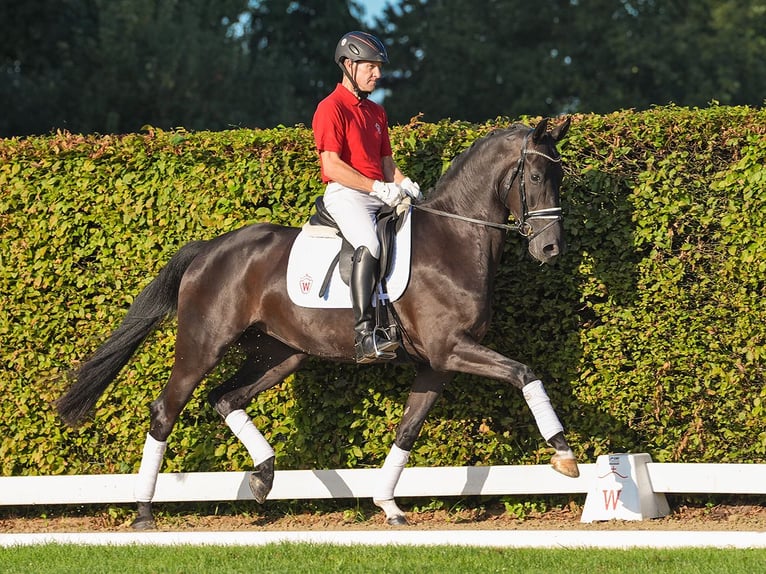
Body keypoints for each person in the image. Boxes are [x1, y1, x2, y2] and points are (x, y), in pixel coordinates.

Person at [312, 31, 422, 364]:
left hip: (379, 192)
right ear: (348, 65)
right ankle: (364, 335)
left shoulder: (376, 113)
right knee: (369, 244)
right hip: (347, 194)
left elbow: (387, 165)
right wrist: (376, 187)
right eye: (370, 67)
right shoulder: (330, 108)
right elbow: (331, 163)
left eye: (378, 67)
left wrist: (407, 184)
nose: (378, 74)